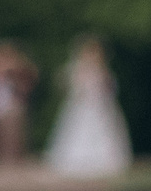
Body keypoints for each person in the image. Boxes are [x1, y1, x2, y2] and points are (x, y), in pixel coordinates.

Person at [45, 37, 132, 179]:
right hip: (82, 107)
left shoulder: (104, 70)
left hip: (101, 108)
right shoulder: (77, 69)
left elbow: (111, 89)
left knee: (103, 132)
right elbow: (68, 87)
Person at [0, 41, 38, 166]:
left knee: (12, 132)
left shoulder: (13, 65)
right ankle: (0, 157)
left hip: (8, 100)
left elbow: (28, 75)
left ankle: (13, 158)